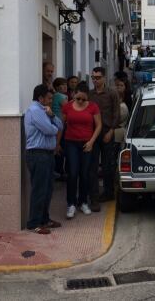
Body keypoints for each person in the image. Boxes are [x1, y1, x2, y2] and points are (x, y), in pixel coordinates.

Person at [24, 85, 63, 234]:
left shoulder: (45, 110)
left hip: (46, 154)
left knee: (47, 189)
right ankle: (34, 223)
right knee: (39, 190)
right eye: (49, 98)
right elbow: (50, 130)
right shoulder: (35, 111)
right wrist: (53, 126)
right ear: (40, 98)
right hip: (37, 154)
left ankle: (44, 219)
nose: (51, 101)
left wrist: (52, 116)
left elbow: (60, 126)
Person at [62, 83, 102, 218]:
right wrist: (57, 143)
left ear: (87, 98)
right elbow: (62, 124)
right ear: (74, 94)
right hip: (71, 143)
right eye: (78, 98)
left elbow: (99, 125)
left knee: (85, 174)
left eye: (83, 99)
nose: (80, 101)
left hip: (87, 143)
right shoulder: (67, 106)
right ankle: (71, 203)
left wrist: (91, 142)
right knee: (72, 173)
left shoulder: (93, 107)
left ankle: (83, 201)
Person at [89, 67, 120, 207]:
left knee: (108, 165)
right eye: (93, 78)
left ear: (104, 78)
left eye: (98, 77)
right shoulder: (89, 95)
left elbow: (116, 113)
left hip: (107, 131)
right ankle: (94, 195)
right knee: (93, 165)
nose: (95, 80)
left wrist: (111, 131)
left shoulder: (112, 94)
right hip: (93, 133)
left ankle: (109, 192)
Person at [51, 79, 69, 180]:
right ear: (57, 87)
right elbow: (68, 108)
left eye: (66, 84)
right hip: (59, 124)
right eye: (62, 85)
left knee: (59, 148)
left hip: (57, 123)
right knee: (59, 148)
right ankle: (59, 171)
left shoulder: (58, 96)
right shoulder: (59, 96)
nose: (65, 87)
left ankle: (59, 171)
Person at [113, 76, 130, 150]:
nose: (119, 87)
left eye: (121, 85)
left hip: (122, 128)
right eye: (117, 85)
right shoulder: (114, 96)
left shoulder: (128, 100)